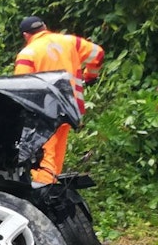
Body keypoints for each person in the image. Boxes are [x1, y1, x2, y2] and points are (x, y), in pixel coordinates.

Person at [14, 15, 104, 185]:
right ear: (45, 26)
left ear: (26, 35)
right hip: (70, 107)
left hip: (45, 110)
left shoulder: (28, 53)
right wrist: (90, 75)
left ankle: (44, 187)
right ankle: (52, 184)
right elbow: (97, 53)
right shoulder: (70, 42)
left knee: (43, 154)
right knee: (57, 149)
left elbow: (22, 88)